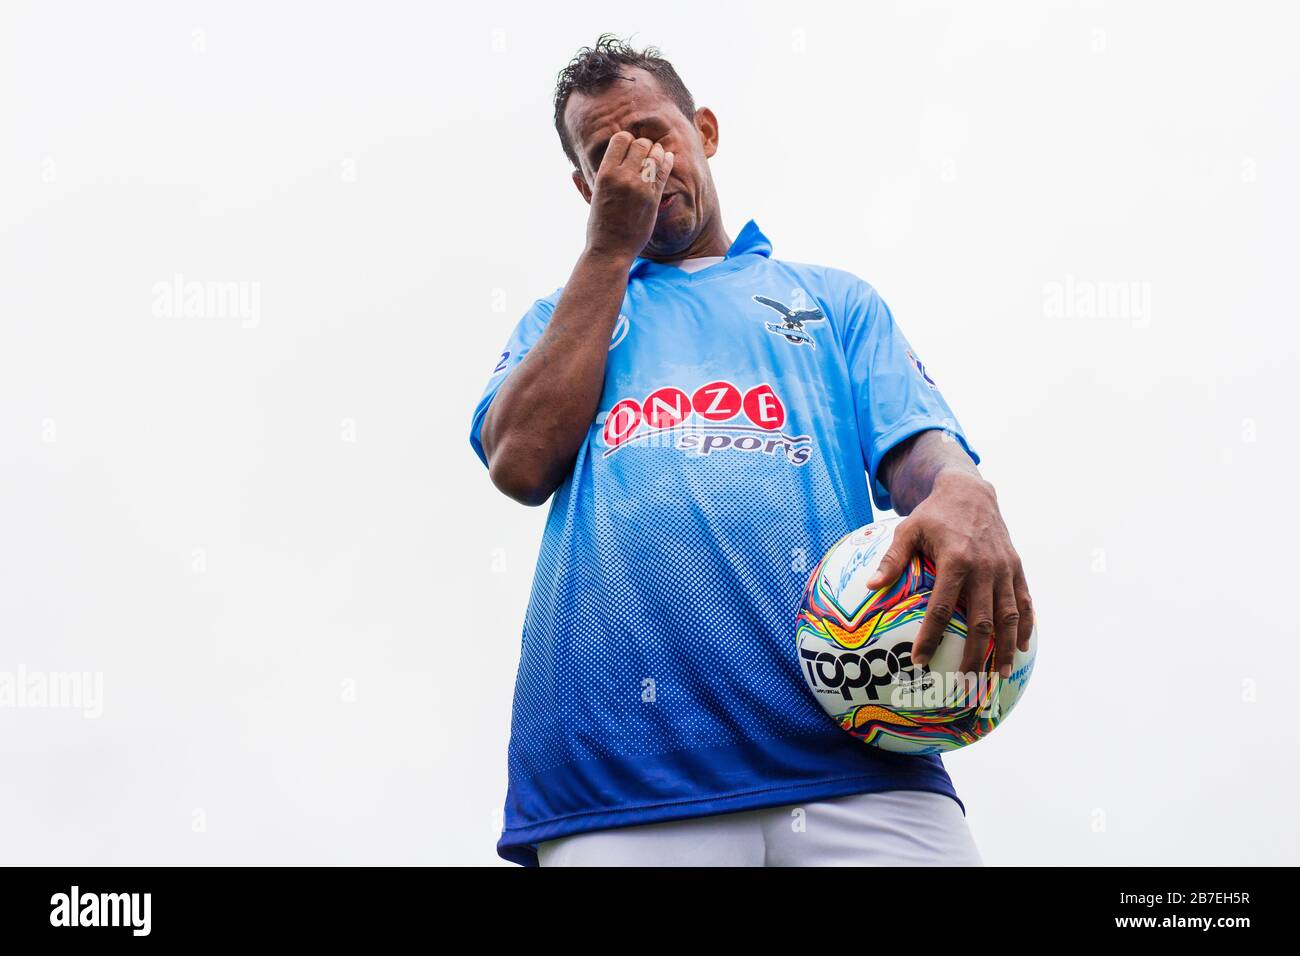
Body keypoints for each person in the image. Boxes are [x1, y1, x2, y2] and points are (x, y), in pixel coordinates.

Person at [468, 35, 1034, 866]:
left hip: (862, 757)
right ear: (587, 187)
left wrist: (961, 488)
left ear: (705, 130)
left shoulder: (832, 300)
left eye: (656, 135)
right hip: (624, 784)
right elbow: (518, 462)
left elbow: (920, 454)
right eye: (610, 155)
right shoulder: (563, 320)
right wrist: (607, 251)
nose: (645, 166)